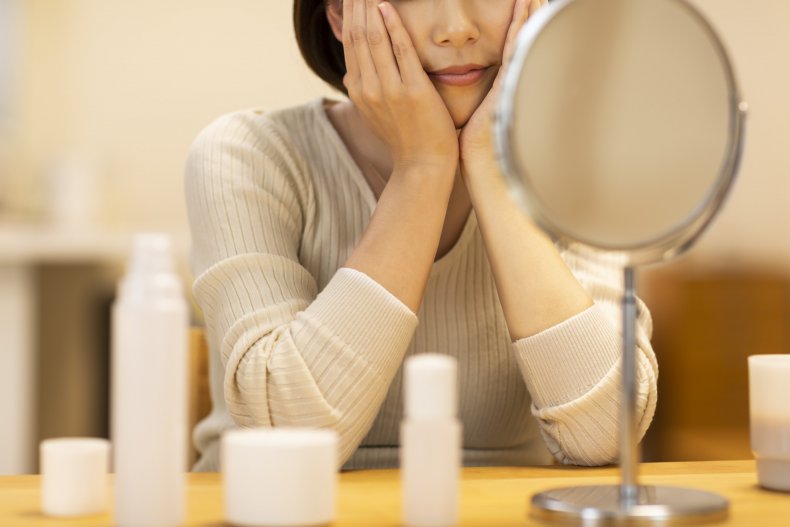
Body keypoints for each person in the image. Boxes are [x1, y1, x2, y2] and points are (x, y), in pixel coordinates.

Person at [185, 0, 658, 472]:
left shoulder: (579, 168)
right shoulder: (249, 153)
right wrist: (422, 170)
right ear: (338, 15)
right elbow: (290, 438)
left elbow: (603, 435)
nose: (455, 29)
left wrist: (492, 169)